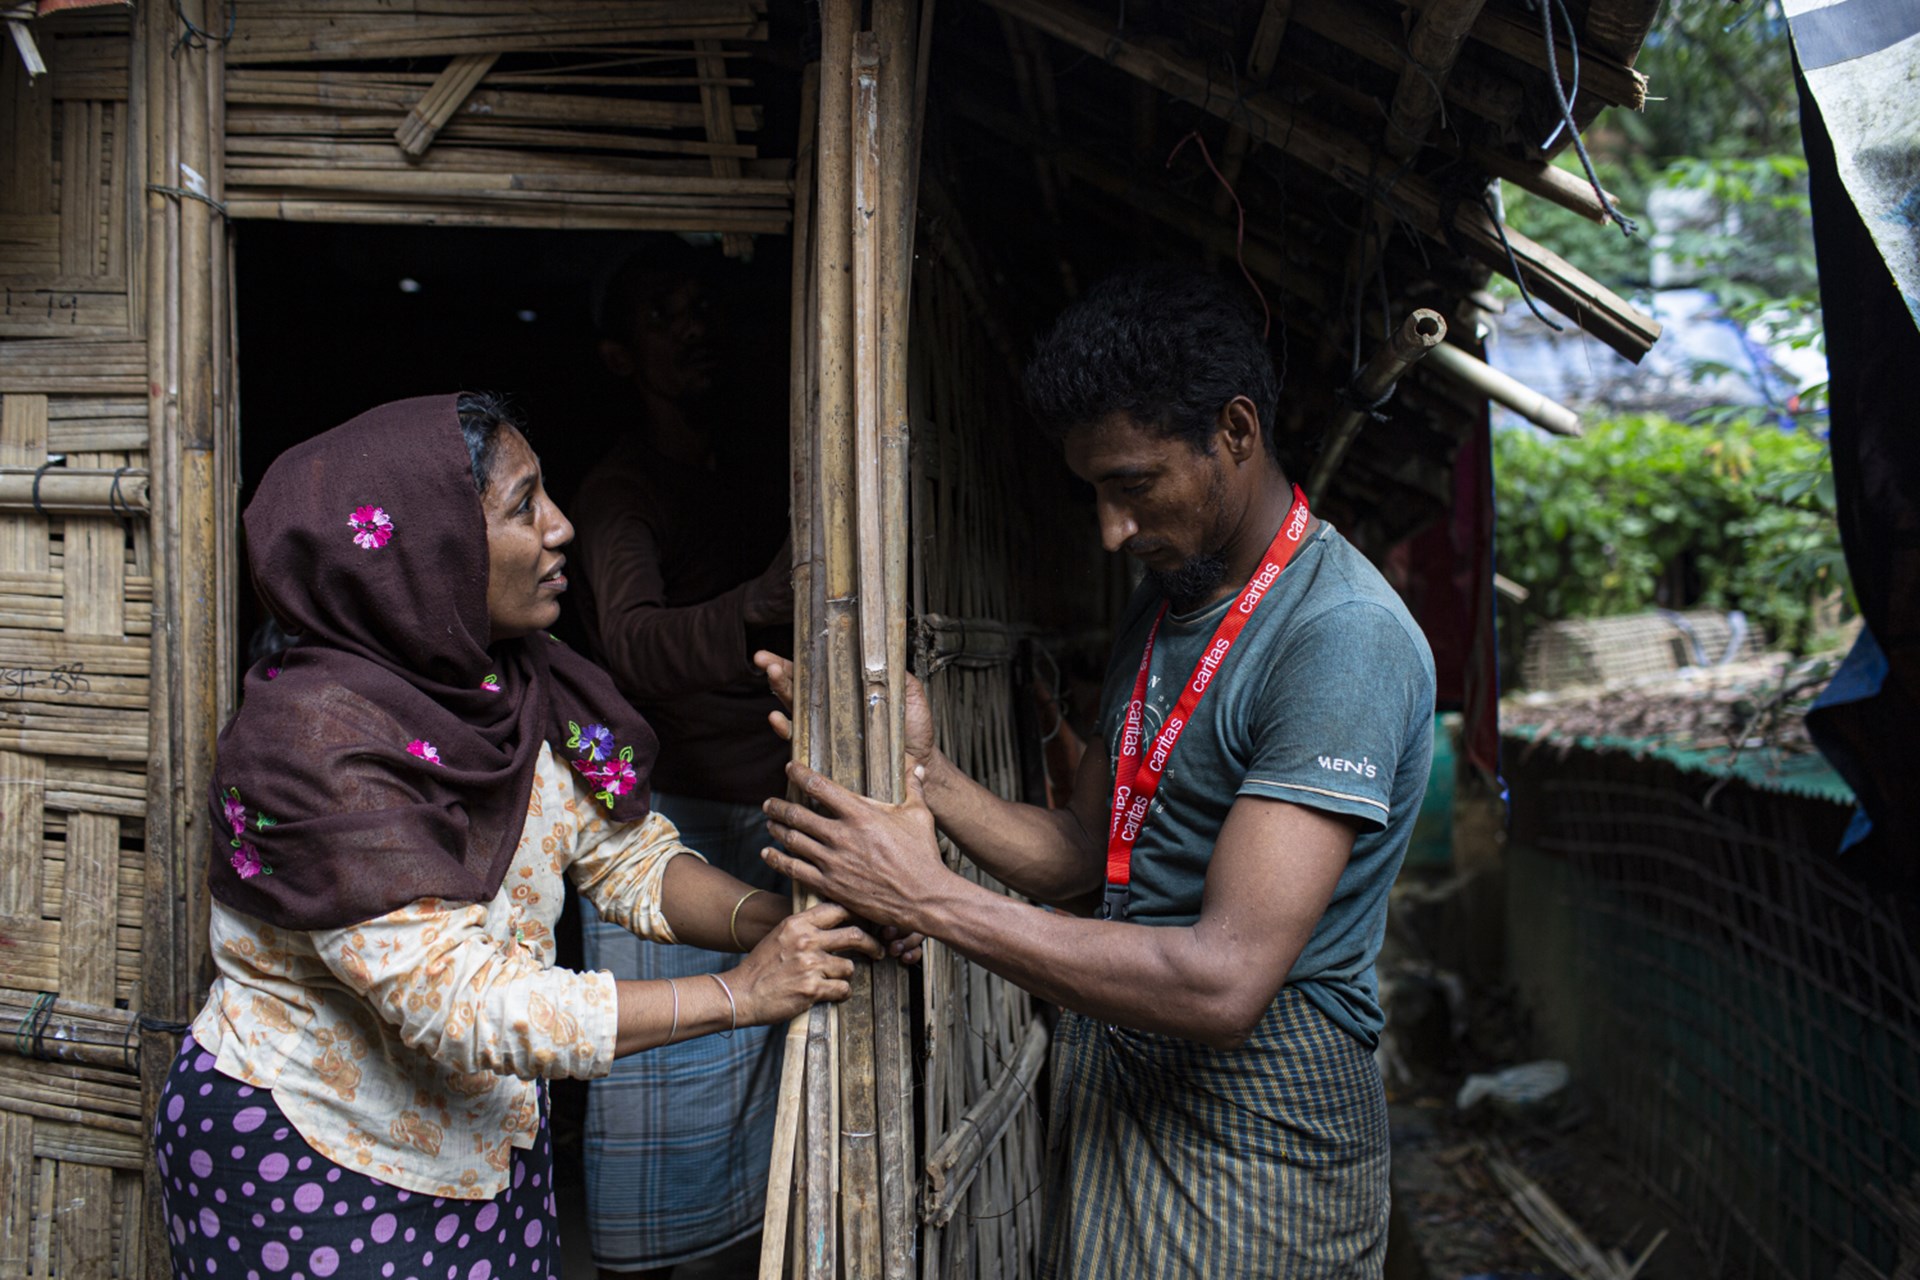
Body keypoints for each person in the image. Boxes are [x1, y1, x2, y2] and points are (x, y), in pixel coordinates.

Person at [755, 266, 1436, 1278]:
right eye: (1096, 492)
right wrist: (926, 769)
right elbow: (1084, 851)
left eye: (1134, 483)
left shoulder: (1339, 637)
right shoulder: (1168, 596)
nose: (1112, 527)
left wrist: (929, 896)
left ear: (1236, 433)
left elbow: (1223, 979)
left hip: (1257, 1123)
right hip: (1126, 1068)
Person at [155, 392, 876, 1280]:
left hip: (483, 1133)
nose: (562, 526)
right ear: (430, 546)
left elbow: (630, 857)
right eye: (523, 506)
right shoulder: (308, 746)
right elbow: (461, 1002)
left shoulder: (520, 685)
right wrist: (740, 994)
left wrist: (781, 924)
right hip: (319, 1151)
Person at [566, 243, 795, 1276]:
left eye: (702, 305)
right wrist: (755, 607)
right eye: (665, 313)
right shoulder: (622, 491)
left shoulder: (737, 468)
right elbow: (635, 639)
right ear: (620, 355)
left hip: (762, 806)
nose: (695, 325)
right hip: (674, 828)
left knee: (760, 1087)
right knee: (672, 1092)